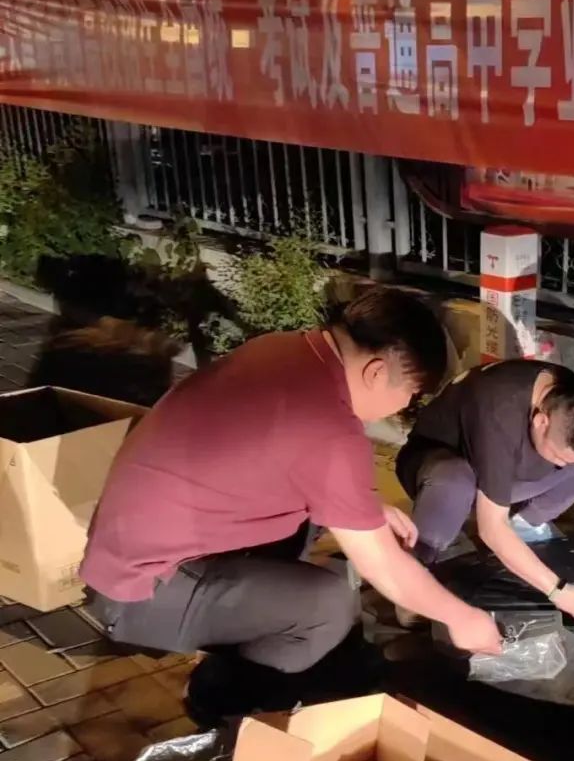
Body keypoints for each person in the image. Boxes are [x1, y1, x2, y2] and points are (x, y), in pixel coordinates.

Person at [81, 286, 502, 726]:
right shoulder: (329, 428)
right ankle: (222, 700)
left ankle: (250, 634)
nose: (404, 408)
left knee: (312, 525)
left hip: (126, 545)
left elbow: (278, 454)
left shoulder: (284, 349)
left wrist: (365, 507)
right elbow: (384, 568)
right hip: (139, 590)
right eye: (410, 396)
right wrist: (462, 617)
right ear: (377, 372)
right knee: (328, 605)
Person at [396, 361, 574, 622]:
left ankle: (520, 529)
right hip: (440, 465)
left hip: (508, 470)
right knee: (455, 481)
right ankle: (412, 577)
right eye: (558, 456)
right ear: (541, 421)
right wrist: (557, 590)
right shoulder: (498, 410)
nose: (560, 466)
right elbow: (491, 528)